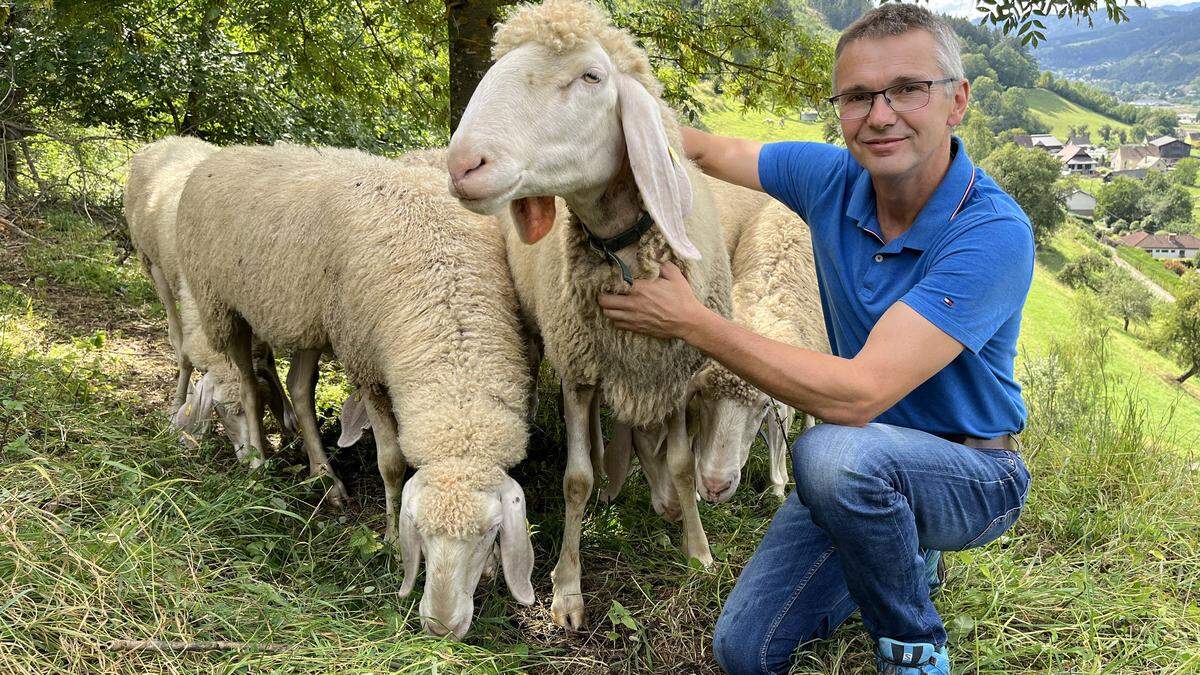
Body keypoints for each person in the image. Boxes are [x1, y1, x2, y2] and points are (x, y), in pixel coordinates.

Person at [597, 4, 1034, 674]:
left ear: (957, 101)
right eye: (858, 96)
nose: (881, 114)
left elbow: (859, 396)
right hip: (863, 470)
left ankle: (914, 647)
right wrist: (604, 105)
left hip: (971, 474)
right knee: (743, 649)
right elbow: (709, 150)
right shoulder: (829, 179)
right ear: (840, 108)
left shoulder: (991, 233)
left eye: (908, 89)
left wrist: (692, 319)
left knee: (829, 452)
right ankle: (897, 550)